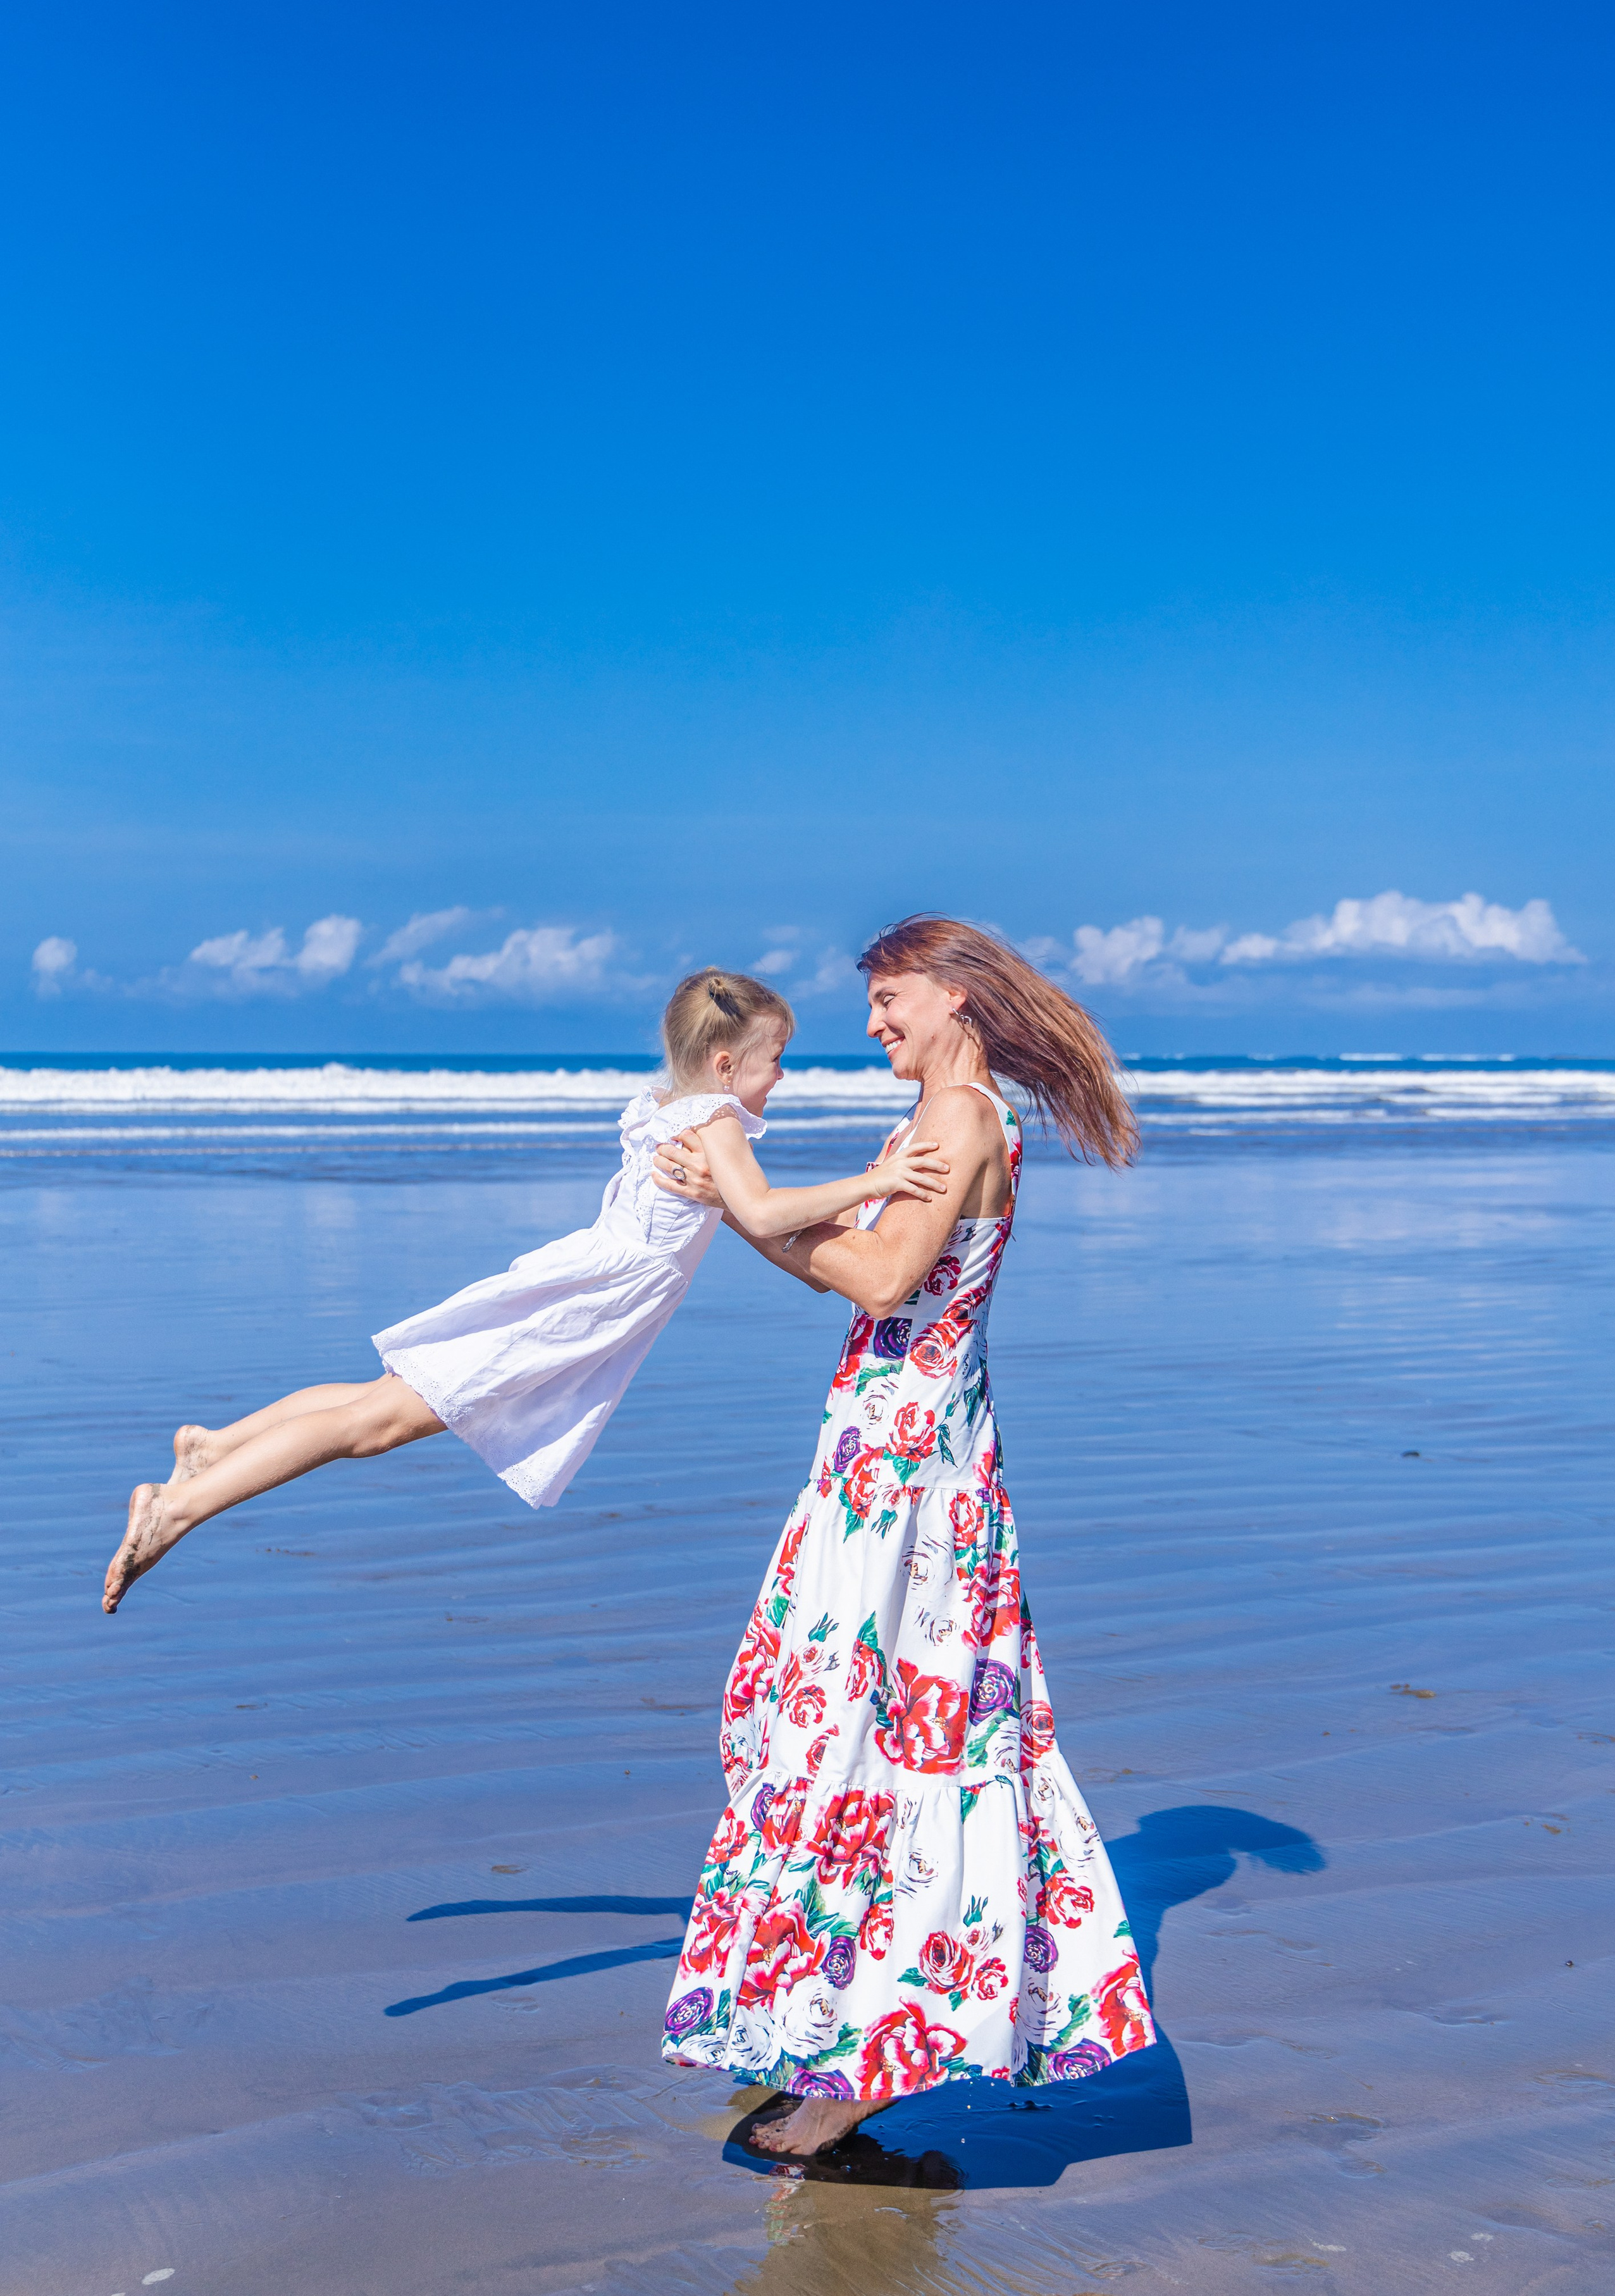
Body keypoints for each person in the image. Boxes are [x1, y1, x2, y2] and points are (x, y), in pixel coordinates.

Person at [653, 916, 1157, 2157]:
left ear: (954, 996)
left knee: (877, 1733)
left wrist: (742, 1202)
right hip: (885, 1449)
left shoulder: (962, 1118)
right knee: (836, 1723)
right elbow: (854, 1269)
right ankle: (844, 2029)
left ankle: (863, 2062)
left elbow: (881, 1280)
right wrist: (741, 1210)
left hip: (909, 1474)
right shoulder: (934, 1118)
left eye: (890, 998)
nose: (873, 1021)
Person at [101, 969, 948, 1613]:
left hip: (578, 1279)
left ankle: (213, 1448)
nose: (783, 1078)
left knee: (381, 1394)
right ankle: (179, 1509)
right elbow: (761, 1211)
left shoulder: (666, 1101)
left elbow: (738, 1206)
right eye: (776, 1061)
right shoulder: (718, 1119)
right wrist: (874, 1180)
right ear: (726, 1065)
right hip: (580, 1305)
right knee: (377, 1423)